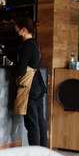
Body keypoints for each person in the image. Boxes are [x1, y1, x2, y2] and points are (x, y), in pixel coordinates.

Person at [14, 16, 48, 147]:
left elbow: (21, 70)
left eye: (17, 28)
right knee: (40, 122)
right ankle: (43, 152)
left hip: (29, 89)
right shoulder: (35, 43)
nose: (16, 31)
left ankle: (35, 155)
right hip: (38, 86)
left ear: (23, 29)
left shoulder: (26, 46)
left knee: (32, 124)